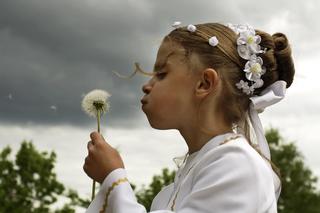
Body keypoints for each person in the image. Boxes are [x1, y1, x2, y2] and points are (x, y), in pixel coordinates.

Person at [83, 22, 295, 213]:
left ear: (204, 84)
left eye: (162, 74)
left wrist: (113, 179)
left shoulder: (237, 166)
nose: (146, 86)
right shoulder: (184, 180)